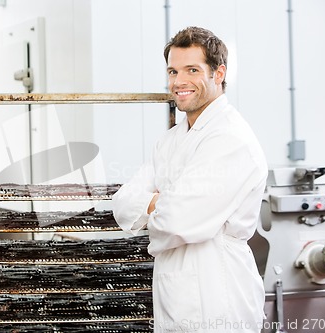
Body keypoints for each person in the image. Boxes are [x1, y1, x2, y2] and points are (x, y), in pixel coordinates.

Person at [112, 26, 267, 332]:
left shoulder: (230, 139)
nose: (179, 82)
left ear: (218, 74)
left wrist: (154, 205)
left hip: (218, 289)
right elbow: (122, 204)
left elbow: (177, 220)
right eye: (173, 71)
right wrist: (163, 204)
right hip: (172, 290)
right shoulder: (169, 142)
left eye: (192, 70)